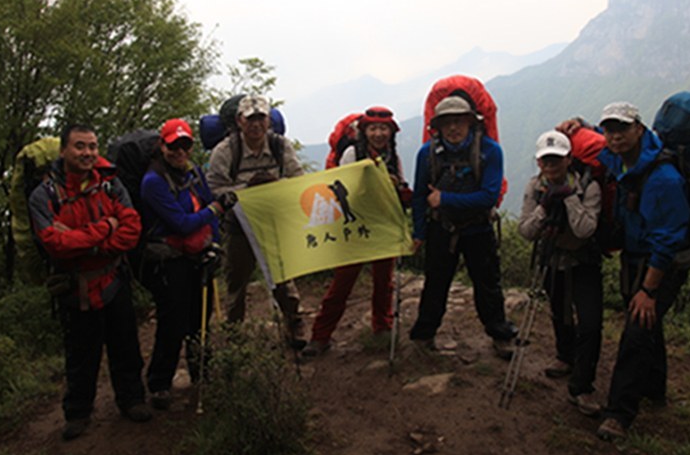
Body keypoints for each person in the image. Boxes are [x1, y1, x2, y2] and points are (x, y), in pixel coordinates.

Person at [28, 124, 152, 441]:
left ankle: (132, 399)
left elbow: (131, 229)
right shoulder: (44, 195)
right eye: (80, 146)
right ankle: (78, 413)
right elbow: (55, 244)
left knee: (126, 344)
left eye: (93, 146)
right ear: (63, 151)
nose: (88, 153)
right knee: (81, 353)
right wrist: (105, 229)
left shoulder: (111, 184)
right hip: (75, 287)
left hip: (114, 277)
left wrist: (90, 244)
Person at [590, 102, 690, 441]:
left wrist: (648, 291)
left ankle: (619, 413)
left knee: (635, 332)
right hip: (633, 258)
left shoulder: (663, 178)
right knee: (649, 327)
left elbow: (668, 241)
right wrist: (576, 126)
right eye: (609, 129)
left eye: (622, 128)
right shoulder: (620, 159)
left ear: (639, 129)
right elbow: (599, 149)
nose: (615, 136)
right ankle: (655, 390)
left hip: (659, 266)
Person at [408, 96, 517, 359]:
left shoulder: (489, 151)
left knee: (487, 283)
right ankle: (424, 334)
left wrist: (445, 198)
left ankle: (499, 333)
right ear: (438, 126)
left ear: (470, 122)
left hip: (477, 228)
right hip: (441, 228)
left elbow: (489, 196)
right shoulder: (427, 154)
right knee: (435, 283)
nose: (453, 128)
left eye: (458, 121)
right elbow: (420, 196)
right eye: (447, 123)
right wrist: (419, 232)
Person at [302, 106, 413, 357]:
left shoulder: (393, 158)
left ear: (390, 132)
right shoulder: (352, 153)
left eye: (383, 128)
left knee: (384, 282)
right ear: (364, 131)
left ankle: (382, 328)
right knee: (342, 283)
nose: (379, 133)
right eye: (373, 128)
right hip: (355, 227)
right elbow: (345, 189)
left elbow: (399, 190)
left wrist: (399, 190)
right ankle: (320, 335)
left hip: (382, 226)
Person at [138, 118, 233, 410]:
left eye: (185, 145)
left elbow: (207, 211)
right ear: (161, 146)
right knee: (173, 322)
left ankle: (201, 372)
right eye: (173, 145)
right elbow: (181, 223)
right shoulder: (153, 182)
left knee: (199, 319)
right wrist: (216, 208)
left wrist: (214, 244)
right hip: (169, 261)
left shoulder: (193, 172)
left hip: (197, 255)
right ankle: (159, 383)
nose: (179, 151)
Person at [206, 95, 308, 347]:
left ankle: (294, 326)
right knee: (236, 282)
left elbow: (298, 180)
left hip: (274, 224)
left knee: (283, 277)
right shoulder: (226, 151)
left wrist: (274, 187)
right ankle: (233, 335)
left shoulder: (279, 146)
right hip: (239, 227)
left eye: (260, 118)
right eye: (250, 119)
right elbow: (214, 187)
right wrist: (246, 191)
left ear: (268, 120)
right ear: (240, 121)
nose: (256, 124)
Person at [518, 130, 603, 416]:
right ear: (539, 163)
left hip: (583, 261)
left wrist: (568, 199)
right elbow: (526, 231)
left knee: (590, 323)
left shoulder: (588, 186)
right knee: (559, 312)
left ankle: (582, 386)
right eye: (545, 161)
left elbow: (585, 229)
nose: (551, 167)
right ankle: (565, 357)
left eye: (557, 161)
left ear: (569, 159)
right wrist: (544, 206)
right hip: (553, 259)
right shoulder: (536, 187)